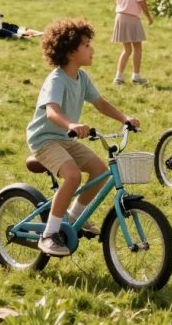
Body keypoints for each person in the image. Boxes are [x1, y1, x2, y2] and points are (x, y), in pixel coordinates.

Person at [27, 18, 139, 257]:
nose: (92, 49)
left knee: (100, 171)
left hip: (65, 138)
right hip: (45, 138)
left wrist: (124, 118)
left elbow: (100, 103)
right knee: (73, 176)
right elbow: (52, 111)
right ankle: (49, 234)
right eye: (86, 45)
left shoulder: (83, 78)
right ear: (70, 52)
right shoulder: (56, 79)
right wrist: (72, 124)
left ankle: (73, 217)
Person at [112, 0, 153, 86]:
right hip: (131, 18)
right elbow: (142, 2)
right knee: (137, 48)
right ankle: (136, 75)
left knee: (127, 50)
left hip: (120, 17)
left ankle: (118, 76)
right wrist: (149, 16)